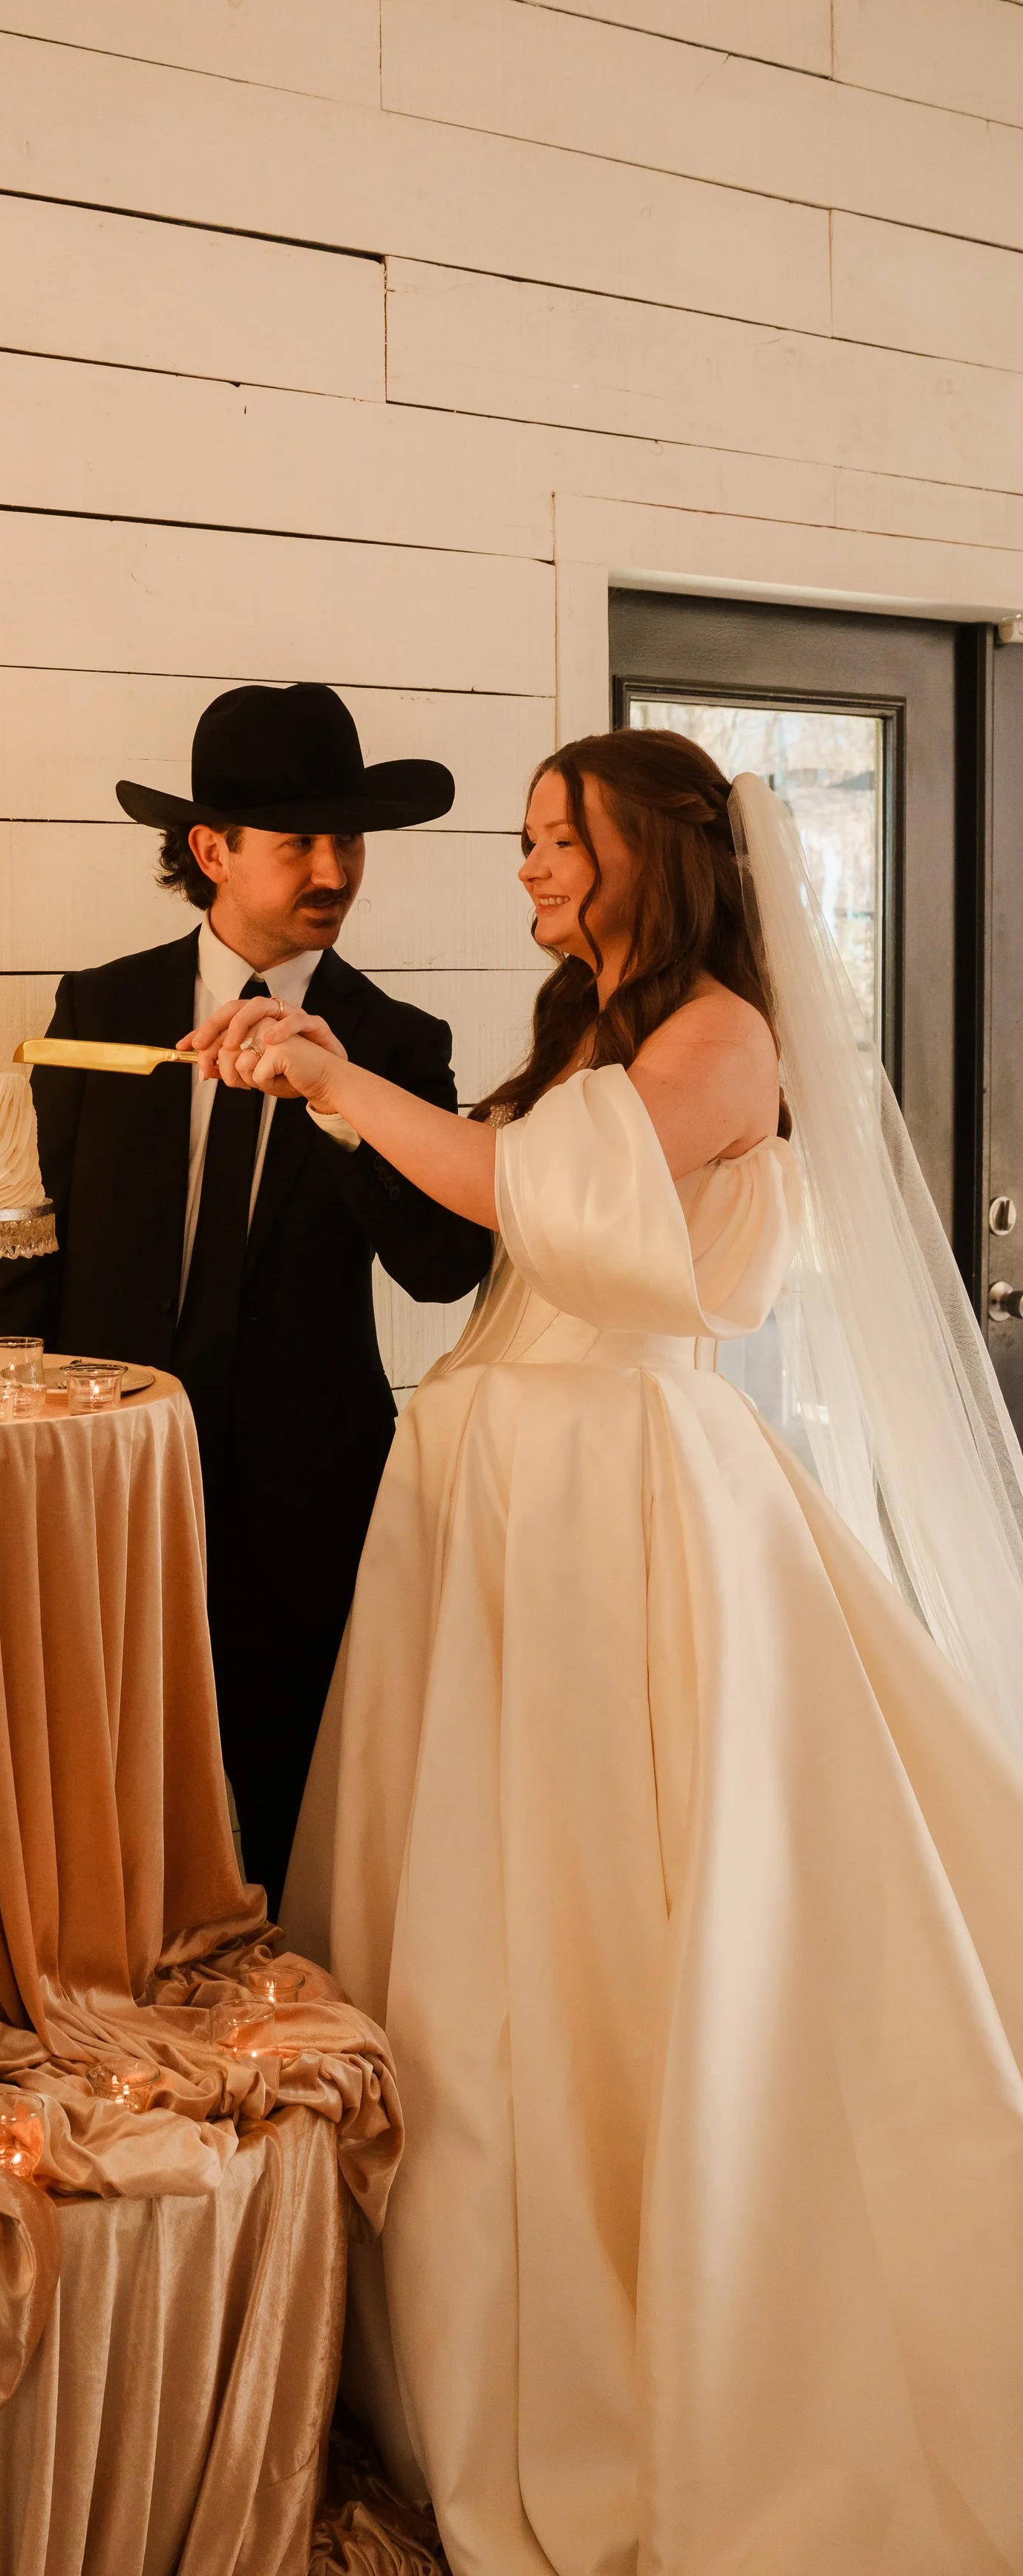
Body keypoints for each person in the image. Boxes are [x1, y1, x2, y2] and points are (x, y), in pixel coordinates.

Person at [192, 728, 1023, 2575]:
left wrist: (334, 1075)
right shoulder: (592, 1035)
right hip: (496, 1495)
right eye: (522, 845)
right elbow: (477, 1207)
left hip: (617, 1508)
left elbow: (542, 1205)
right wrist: (322, 1093)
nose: (526, 874)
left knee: (610, 1923)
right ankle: (481, 2327)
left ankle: (656, 2321)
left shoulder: (720, 1038)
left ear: (645, 849)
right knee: (481, 1924)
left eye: (552, 843)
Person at [0, 682, 492, 1904]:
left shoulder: (396, 1041)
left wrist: (342, 1103)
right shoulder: (100, 1009)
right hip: (99, 1481)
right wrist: (0, 1447)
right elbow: (27, 1240)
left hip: (308, 1505)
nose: (335, 865)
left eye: (350, 837)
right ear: (210, 849)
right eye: (300, 837)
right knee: (91, 1802)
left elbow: (443, 1264)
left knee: (285, 1819)